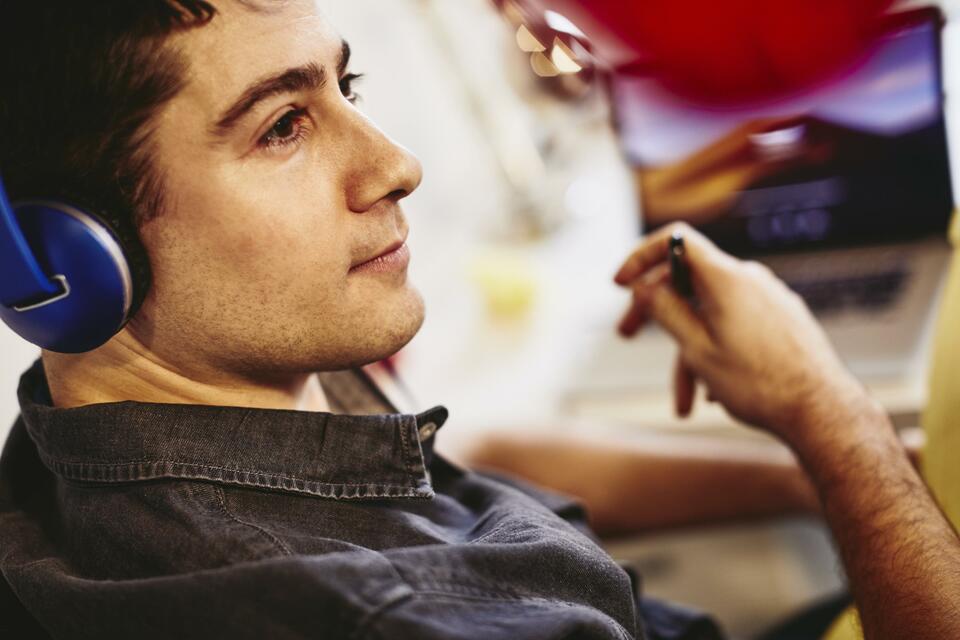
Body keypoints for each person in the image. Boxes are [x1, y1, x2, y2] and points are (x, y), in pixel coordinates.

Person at [0, 3, 958, 640]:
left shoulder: (169, 401)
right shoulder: (401, 617)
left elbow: (470, 452)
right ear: (69, 259)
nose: (395, 165)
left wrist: (801, 473)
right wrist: (837, 424)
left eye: (348, 89)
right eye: (282, 126)